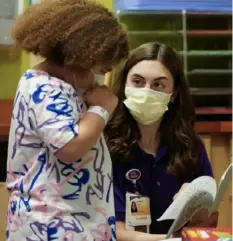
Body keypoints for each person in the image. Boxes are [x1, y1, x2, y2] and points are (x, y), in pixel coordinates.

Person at [6, 0, 128, 240]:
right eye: (99, 69)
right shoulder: (44, 88)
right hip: (50, 226)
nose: (98, 78)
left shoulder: (64, 87)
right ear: (77, 56)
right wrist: (102, 109)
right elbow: (69, 146)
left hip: (75, 224)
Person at [104, 42, 218, 241]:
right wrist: (171, 240)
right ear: (125, 86)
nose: (146, 91)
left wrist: (197, 208)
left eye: (158, 84)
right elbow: (115, 232)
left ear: (173, 94)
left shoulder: (191, 147)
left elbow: (206, 226)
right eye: (138, 82)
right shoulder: (105, 146)